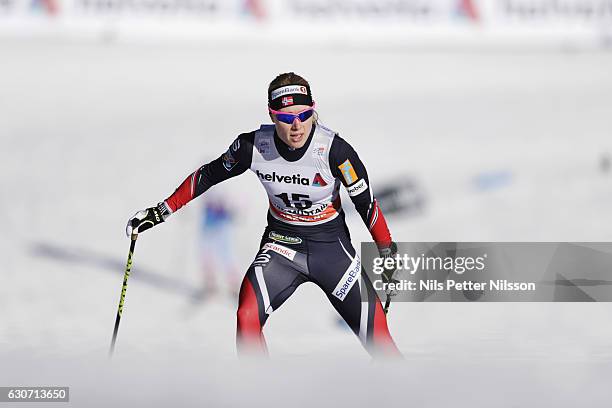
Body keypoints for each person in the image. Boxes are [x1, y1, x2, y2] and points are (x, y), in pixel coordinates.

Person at [126, 72, 401, 357]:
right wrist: (161, 211)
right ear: (272, 116)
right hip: (282, 246)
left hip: (332, 252)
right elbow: (208, 175)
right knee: (246, 315)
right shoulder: (254, 146)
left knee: (382, 344)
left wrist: (386, 250)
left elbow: (366, 204)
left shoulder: (335, 151)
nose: (296, 126)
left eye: (304, 115)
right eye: (285, 118)